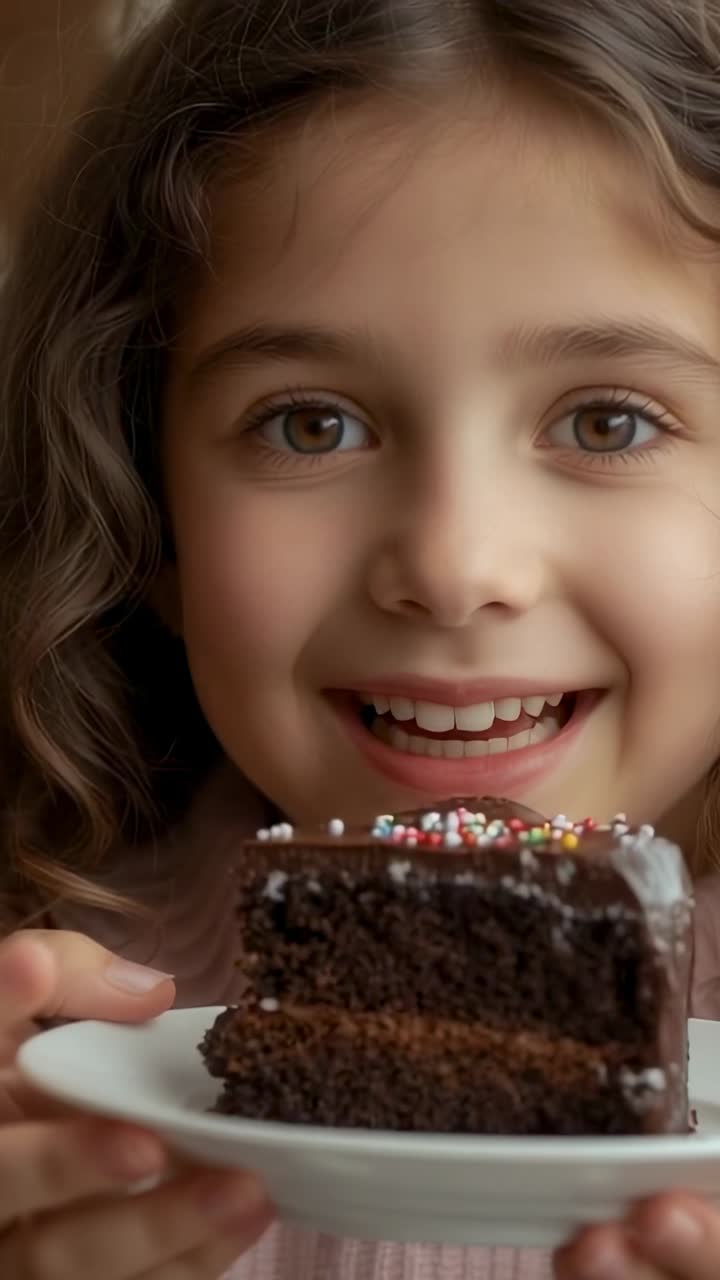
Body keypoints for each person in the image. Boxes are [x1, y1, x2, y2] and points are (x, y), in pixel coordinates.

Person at [2, 0, 720, 1275]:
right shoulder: (54, 1050)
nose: (453, 567)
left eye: (609, 421)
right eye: (310, 425)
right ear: (141, 506)